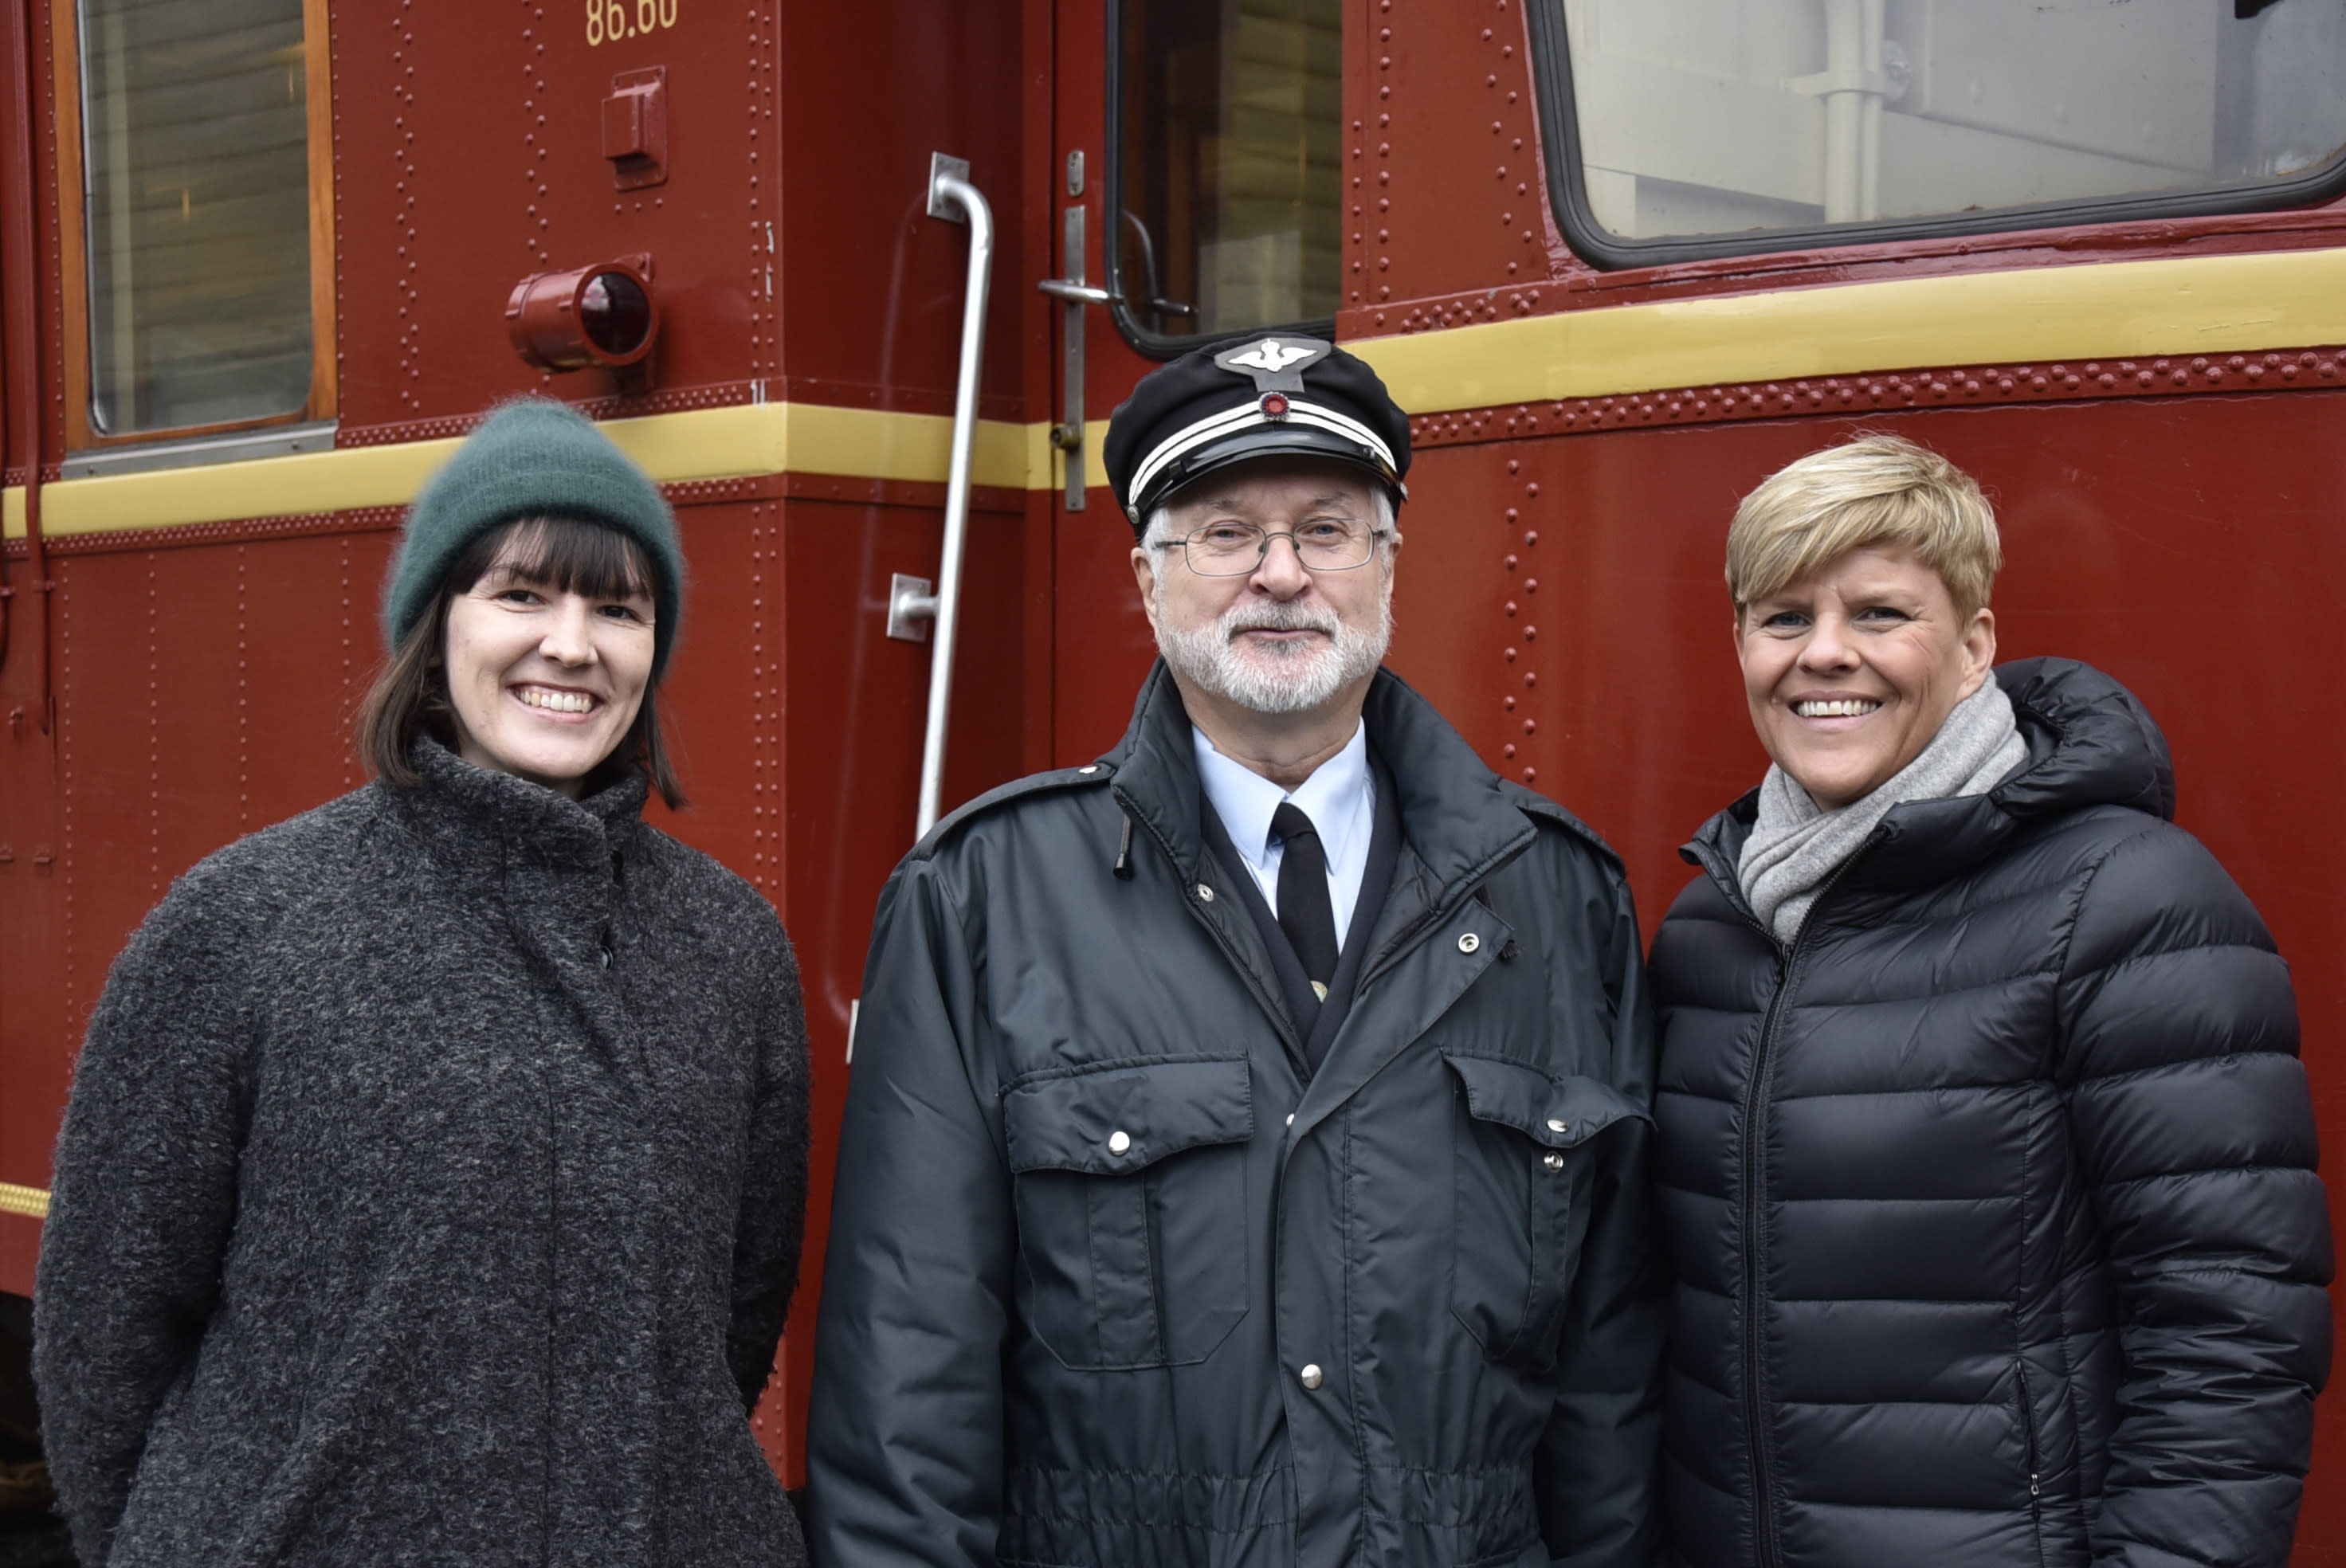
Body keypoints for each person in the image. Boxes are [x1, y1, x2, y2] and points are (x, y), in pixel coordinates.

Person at [806, 337, 1661, 1567]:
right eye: (1225, 534)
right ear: (1148, 580)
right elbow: (908, 1387)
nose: (1281, 574)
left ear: (1388, 567)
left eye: (1326, 531)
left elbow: (1610, 1389)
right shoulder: (982, 899)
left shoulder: (1560, 899)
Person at [34, 400, 812, 1568]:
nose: (573, 645)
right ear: (435, 626)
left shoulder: (729, 944)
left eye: (619, 609)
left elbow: (731, 1319)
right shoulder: (244, 922)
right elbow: (106, 1327)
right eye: (521, 595)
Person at [1647, 434, 2331, 1568]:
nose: (1825, 653)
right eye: (1784, 618)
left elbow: (2232, 1334)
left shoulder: (2127, 900)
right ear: (1741, 646)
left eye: (1880, 614)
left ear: (1974, 650)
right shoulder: (1711, 927)